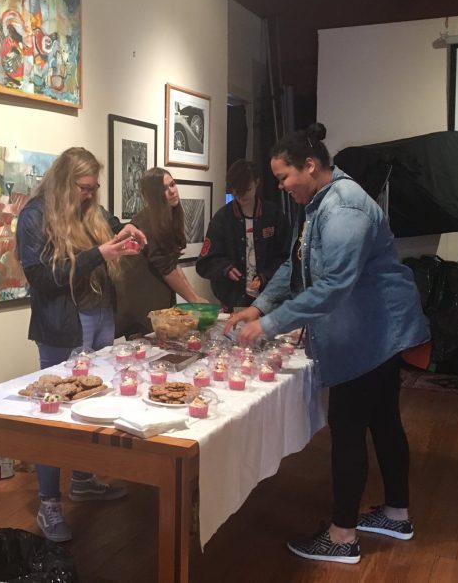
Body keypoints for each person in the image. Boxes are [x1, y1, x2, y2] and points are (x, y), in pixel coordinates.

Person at [224, 123, 429, 565]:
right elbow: (295, 266)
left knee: (351, 427)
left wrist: (271, 324)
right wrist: (259, 308)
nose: (281, 186)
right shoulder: (320, 201)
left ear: (310, 166)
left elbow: (334, 286)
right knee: (383, 422)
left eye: (284, 177)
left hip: (373, 334)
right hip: (370, 332)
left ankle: (341, 538)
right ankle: (396, 513)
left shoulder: (345, 208)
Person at [16, 147, 147, 542]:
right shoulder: (35, 216)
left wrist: (126, 232)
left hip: (101, 317)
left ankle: (85, 479)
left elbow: (113, 227)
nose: (90, 195)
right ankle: (48, 501)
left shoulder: (93, 211)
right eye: (84, 188)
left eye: (94, 188)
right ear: (64, 182)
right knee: (55, 414)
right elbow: (41, 277)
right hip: (62, 327)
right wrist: (98, 254)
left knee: (96, 402)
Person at [115, 167, 208, 336]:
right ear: (153, 195)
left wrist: (195, 297)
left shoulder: (168, 217)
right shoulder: (149, 221)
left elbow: (172, 264)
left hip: (153, 300)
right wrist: (193, 299)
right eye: (164, 189)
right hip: (140, 305)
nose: (172, 191)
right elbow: (167, 269)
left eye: (172, 184)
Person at [196, 159, 291, 311]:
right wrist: (225, 268)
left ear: (257, 183)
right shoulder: (222, 219)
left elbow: (287, 257)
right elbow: (204, 263)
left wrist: (265, 276)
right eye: (236, 192)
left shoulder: (273, 215)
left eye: (246, 189)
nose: (241, 196)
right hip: (233, 301)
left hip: (270, 300)